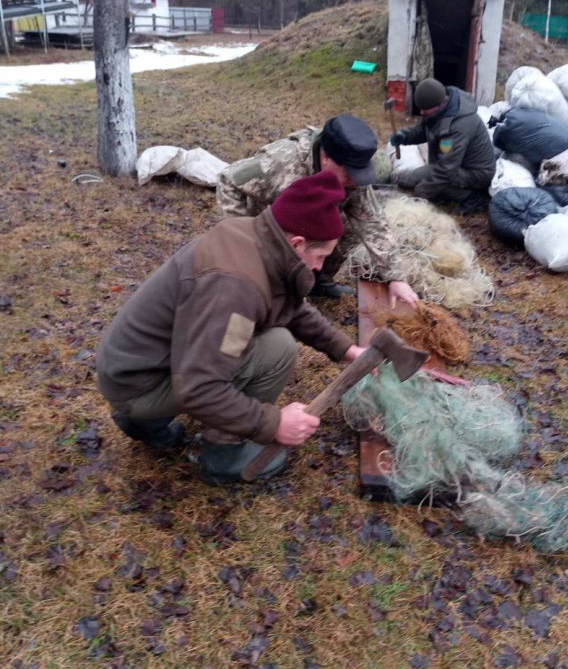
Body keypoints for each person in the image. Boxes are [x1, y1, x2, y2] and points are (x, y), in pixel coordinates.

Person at [96, 171, 365, 485]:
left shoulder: (253, 235)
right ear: (297, 242)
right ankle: (224, 454)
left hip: (132, 368)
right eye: (320, 257)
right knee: (277, 349)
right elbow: (200, 387)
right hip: (138, 386)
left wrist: (346, 349)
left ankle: (147, 423)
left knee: (254, 340)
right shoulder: (235, 288)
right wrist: (273, 422)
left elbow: (289, 306)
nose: (320, 268)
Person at [216, 113, 419, 307]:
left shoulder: (353, 172)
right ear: (324, 157)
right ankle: (285, 294)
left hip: (308, 226)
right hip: (271, 222)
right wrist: (241, 239)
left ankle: (318, 281)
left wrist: (396, 277)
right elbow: (228, 179)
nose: (354, 180)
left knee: (343, 226)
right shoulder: (280, 162)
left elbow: (372, 222)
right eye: (348, 173)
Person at [389, 78, 496, 209]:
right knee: (423, 178)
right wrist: (405, 136)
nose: (421, 112)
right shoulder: (443, 109)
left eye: (425, 109)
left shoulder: (458, 127)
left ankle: (471, 195)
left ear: (439, 104)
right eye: (420, 108)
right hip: (456, 164)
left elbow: (445, 170)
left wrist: (420, 195)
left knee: (426, 181)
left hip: (476, 174)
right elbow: (425, 129)